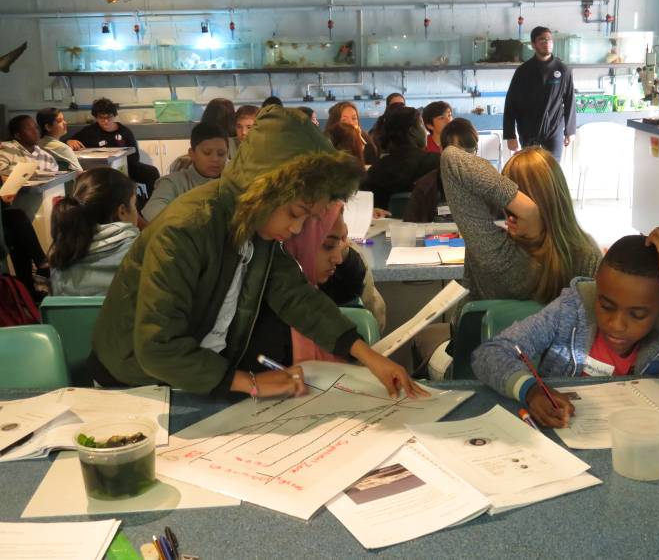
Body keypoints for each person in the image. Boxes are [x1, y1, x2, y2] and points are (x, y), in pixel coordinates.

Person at [88, 106, 426, 401]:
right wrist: (251, 383)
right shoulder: (186, 229)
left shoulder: (256, 228)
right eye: (295, 213)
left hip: (192, 378)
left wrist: (369, 356)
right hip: (134, 386)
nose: (296, 229)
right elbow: (158, 346)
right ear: (264, 192)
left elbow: (295, 296)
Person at [472, 228, 659, 428]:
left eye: (638, 315)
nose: (616, 325)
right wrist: (531, 390)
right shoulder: (571, 310)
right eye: (606, 306)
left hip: (636, 439)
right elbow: (490, 354)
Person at [442, 143, 600, 305]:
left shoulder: (495, 252)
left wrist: (529, 211)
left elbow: (451, 159)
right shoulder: (588, 254)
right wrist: (537, 223)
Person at [248, 203, 385, 365]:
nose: (338, 258)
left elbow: (348, 286)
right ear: (298, 241)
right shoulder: (265, 312)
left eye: (342, 243)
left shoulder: (312, 289)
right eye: (329, 245)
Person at [49, 167, 139, 296]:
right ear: (122, 211)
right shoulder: (142, 252)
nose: (136, 212)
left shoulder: (61, 257)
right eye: (134, 205)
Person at [503, 26, 576, 162]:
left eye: (549, 39)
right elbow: (510, 103)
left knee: (553, 168)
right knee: (531, 168)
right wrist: (510, 135)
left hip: (554, 128)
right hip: (528, 129)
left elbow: (570, 101)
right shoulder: (523, 71)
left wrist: (570, 130)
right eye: (542, 40)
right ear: (533, 45)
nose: (547, 43)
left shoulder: (563, 70)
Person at [68, 98, 160, 196]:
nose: (106, 121)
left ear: (114, 115)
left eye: (109, 117)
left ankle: (154, 202)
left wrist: (120, 164)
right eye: (101, 118)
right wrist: (69, 141)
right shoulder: (89, 132)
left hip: (125, 167)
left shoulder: (124, 132)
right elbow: (66, 142)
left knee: (152, 172)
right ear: (96, 117)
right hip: (99, 170)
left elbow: (135, 158)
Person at [142, 123, 228, 222]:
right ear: (192, 154)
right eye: (207, 153)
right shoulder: (173, 183)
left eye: (221, 154)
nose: (215, 159)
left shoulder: (232, 181)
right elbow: (152, 211)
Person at [362, 106, 439, 210]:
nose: (425, 131)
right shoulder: (437, 163)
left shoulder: (376, 170)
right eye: (421, 125)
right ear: (412, 131)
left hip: (386, 220)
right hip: (430, 219)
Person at [403, 117, 476, 223]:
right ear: (442, 150)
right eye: (457, 151)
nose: (465, 157)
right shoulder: (426, 188)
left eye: (470, 151)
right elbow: (411, 227)